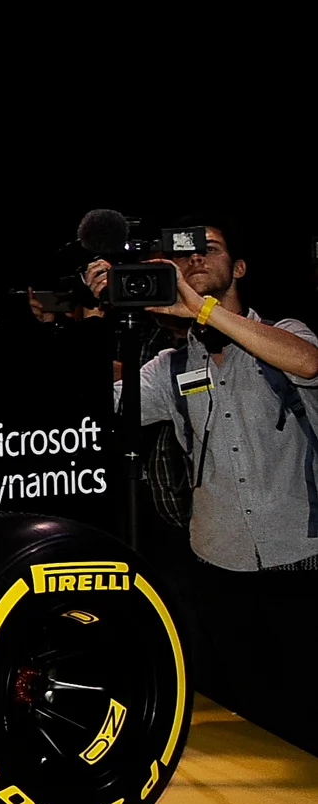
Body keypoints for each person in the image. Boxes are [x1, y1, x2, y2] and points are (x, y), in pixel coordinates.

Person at [97, 221, 318, 572]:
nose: (196, 258)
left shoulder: (285, 332)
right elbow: (96, 410)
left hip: (300, 550)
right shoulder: (171, 365)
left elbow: (307, 364)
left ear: (238, 267)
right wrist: (92, 318)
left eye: (210, 249)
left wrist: (202, 310)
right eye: (183, 255)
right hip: (217, 554)